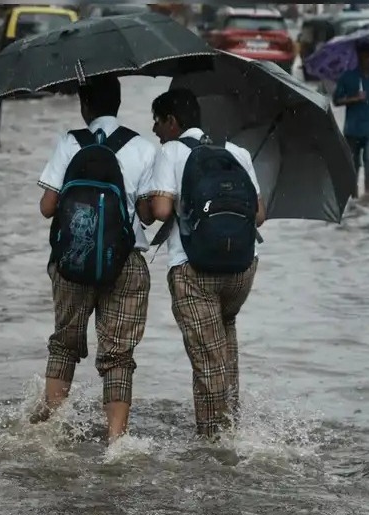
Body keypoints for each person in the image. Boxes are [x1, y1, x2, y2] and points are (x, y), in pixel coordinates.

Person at [33, 76, 157, 441]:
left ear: (84, 104)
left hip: (73, 259)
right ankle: (116, 440)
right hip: (127, 261)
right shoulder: (142, 147)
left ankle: (53, 431)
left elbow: (47, 208)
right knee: (118, 354)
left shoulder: (70, 142)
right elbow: (149, 215)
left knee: (65, 344)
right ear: (118, 102)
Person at [143, 88, 267, 439]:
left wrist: (152, 200)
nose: (154, 129)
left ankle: (215, 444)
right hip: (242, 269)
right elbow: (259, 215)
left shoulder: (169, 152)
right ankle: (233, 426)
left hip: (193, 269)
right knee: (224, 341)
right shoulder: (236, 151)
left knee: (207, 359)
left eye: (157, 121)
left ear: (172, 121)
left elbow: (163, 212)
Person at [333, 39, 369, 199]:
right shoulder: (348, 77)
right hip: (352, 129)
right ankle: (354, 197)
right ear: (359, 58)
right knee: (353, 164)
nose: (367, 61)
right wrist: (354, 98)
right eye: (363, 58)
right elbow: (336, 100)